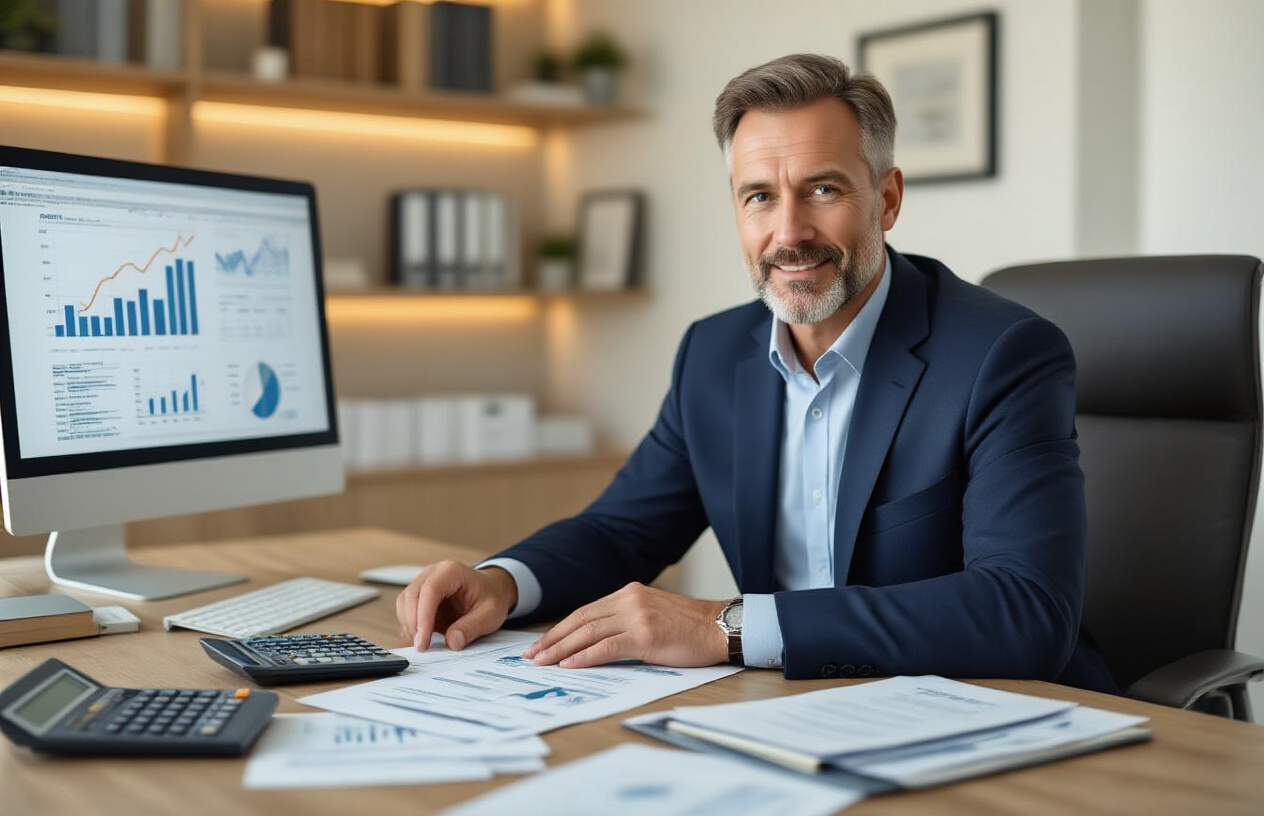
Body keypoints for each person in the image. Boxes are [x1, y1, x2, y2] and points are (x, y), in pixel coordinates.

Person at [397, 53, 1116, 692]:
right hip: (788, 709)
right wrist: (502, 581)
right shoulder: (713, 354)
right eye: (760, 196)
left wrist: (726, 626)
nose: (789, 232)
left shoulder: (1002, 354)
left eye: (824, 190)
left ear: (888, 199)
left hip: (991, 711)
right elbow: (622, 531)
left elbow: (1026, 608)